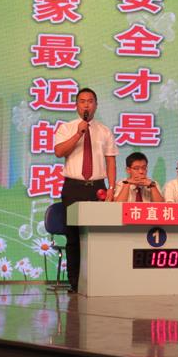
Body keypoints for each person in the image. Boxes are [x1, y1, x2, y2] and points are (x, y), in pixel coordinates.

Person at [54, 88, 118, 292]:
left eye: (90, 101)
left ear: (96, 105)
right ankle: (75, 282)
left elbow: (111, 162)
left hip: (98, 188)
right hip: (73, 187)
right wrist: (78, 133)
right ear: (76, 105)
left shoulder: (104, 131)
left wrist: (111, 188)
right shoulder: (67, 128)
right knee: (73, 237)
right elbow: (59, 152)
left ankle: (100, 280)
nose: (86, 105)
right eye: (82, 101)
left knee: (99, 235)